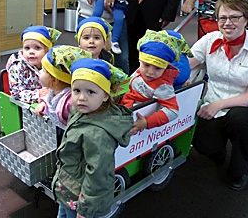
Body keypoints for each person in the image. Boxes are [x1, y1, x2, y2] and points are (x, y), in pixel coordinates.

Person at [188, 0, 248, 191]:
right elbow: (186, 65)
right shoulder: (210, 40)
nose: (228, 23)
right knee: (204, 144)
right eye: (223, 18)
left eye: (235, 17)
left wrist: (218, 104)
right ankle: (219, 150)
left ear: (246, 19)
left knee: (239, 120)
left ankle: (241, 167)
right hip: (213, 108)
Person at [52, 58, 133, 218]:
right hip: (69, 188)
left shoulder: (98, 134)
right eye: (77, 91)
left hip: (81, 199)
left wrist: (85, 211)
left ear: (105, 95)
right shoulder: (81, 111)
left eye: (90, 92)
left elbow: (98, 176)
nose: (81, 98)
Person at [121, 30, 186, 135]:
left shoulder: (163, 86)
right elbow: (129, 83)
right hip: (124, 106)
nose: (150, 72)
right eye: (146, 65)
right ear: (140, 61)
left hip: (133, 117)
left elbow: (173, 111)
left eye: (158, 68)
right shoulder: (140, 71)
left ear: (164, 68)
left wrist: (147, 122)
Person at [34, 45, 91, 130]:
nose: (40, 71)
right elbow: (51, 100)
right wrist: (44, 103)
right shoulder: (54, 90)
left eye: (43, 70)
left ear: (55, 79)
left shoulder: (71, 102)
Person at [6, 25, 61, 104]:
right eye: (27, 48)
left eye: (37, 48)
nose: (31, 52)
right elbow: (16, 94)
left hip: (47, 101)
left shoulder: (52, 63)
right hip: (26, 106)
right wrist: (38, 94)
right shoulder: (16, 66)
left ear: (47, 51)